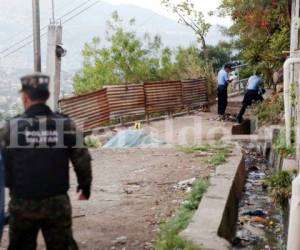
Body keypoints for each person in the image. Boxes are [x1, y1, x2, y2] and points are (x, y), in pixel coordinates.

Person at [0, 73, 92, 250]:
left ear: (24, 97)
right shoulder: (65, 125)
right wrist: (85, 186)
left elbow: (3, 162)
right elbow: (82, 158)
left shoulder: (10, 128)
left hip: (22, 203)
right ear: (47, 96)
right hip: (56, 201)